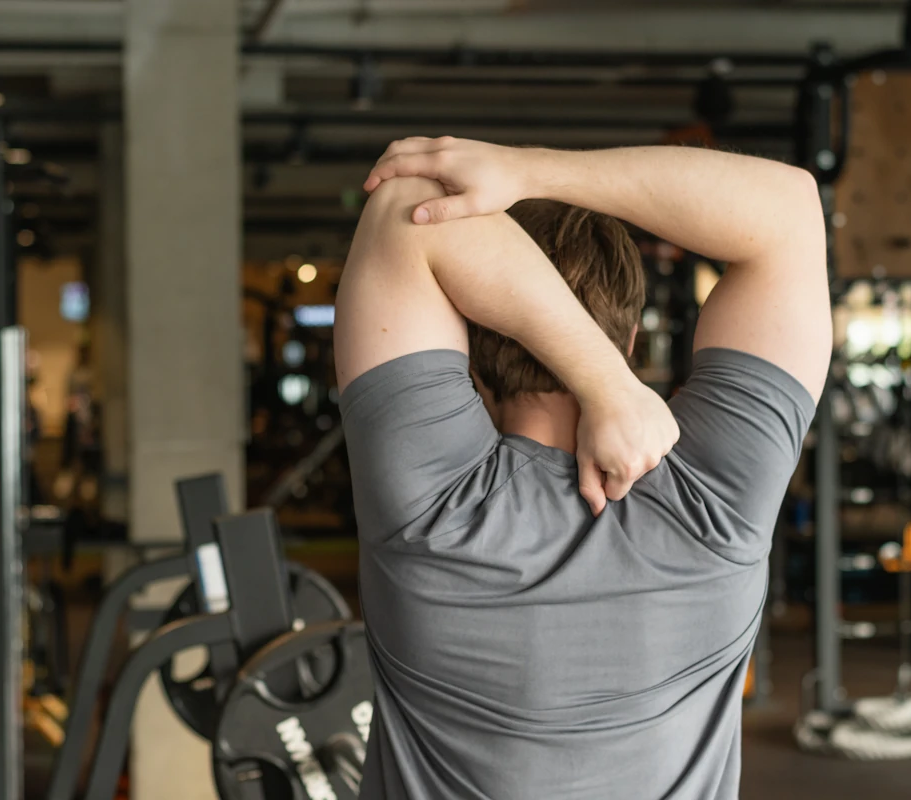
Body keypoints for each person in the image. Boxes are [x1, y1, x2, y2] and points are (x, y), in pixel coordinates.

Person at [335, 138, 830, 800]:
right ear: (628, 338)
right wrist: (529, 171)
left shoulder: (432, 509)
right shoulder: (718, 500)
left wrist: (602, 382)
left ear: (467, 337)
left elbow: (407, 201)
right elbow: (790, 209)